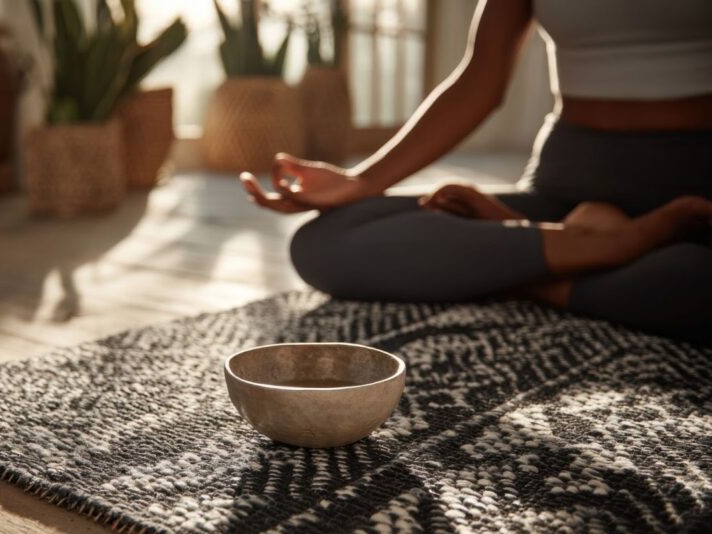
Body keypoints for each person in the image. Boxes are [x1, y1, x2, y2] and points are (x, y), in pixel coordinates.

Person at [240, 0, 712, 342]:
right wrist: (362, 182)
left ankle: (554, 260)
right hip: (566, 183)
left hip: (694, 184)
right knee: (325, 244)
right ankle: (607, 245)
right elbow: (479, 77)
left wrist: (505, 245)